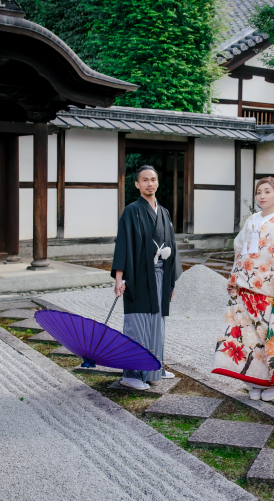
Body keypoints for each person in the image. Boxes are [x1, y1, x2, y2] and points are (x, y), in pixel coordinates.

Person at [211, 177, 274, 402]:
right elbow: (239, 250)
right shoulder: (251, 221)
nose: (262, 196)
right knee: (248, 338)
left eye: (267, 192)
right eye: (259, 192)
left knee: (269, 338)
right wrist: (234, 278)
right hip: (245, 287)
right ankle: (253, 381)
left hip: (268, 291)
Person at [112, 165, 181, 390]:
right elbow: (123, 244)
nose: (149, 183)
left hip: (161, 275)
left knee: (157, 323)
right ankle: (131, 374)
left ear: (157, 182)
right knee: (138, 322)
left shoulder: (164, 213)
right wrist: (119, 278)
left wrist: (171, 282)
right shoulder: (131, 211)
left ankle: (154, 368)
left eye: (153, 179)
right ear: (137, 184)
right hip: (138, 275)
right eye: (145, 180)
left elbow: (172, 246)